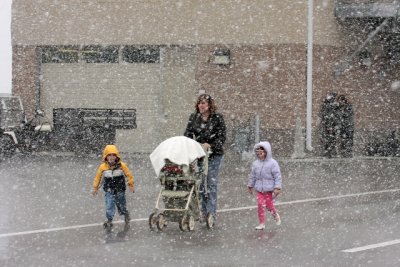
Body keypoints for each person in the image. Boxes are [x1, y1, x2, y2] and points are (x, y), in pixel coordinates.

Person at [184, 93, 226, 222]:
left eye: (203, 103)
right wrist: (191, 148)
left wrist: (211, 145)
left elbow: (222, 137)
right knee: (201, 183)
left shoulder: (217, 118)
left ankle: (211, 212)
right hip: (201, 154)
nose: (201, 105)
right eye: (199, 103)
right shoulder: (194, 118)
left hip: (214, 154)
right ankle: (203, 211)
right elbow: (187, 135)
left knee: (211, 182)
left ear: (209, 105)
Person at [92, 144, 135, 228]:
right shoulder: (103, 167)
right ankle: (109, 220)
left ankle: (125, 213)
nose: (111, 157)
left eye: (113, 155)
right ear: (106, 156)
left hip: (120, 190)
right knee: (109, 205)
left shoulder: (122, 166)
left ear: (116, 156)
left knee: (121, 205)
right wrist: (95, 188)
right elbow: (98, 178)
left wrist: (131, 184)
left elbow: (128, 175)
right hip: (108, 190)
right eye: (109, 155)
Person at [247, 141, 282, 230]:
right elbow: (253, 175)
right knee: (260, 204)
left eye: (261, 153)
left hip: (269, 189)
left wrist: (277, 187)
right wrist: (250, 185)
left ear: (266, 152)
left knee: (269, 205)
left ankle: (275, 214)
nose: (259, 155)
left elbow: (277, 176)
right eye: (258, 153)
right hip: (259, 189)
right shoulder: (256, 163)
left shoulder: (273, 163)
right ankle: (262, 223)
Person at [320, 92, 339, 158]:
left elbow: (335, 115)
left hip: (331, 125)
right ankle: (328, 152)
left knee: (332, 139)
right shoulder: (328, 105)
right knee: (329, 139)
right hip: (329, 125)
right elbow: (325, 115)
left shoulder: (332, 105)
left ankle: (330, 152)